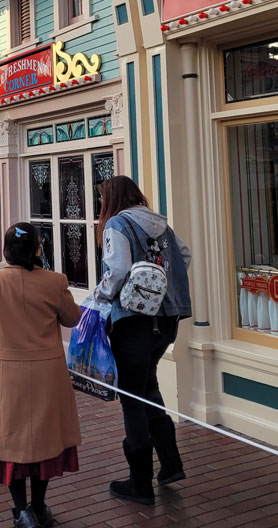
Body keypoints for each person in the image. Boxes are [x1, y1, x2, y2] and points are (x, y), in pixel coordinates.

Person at [0, 223, 82, 528]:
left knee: (10, 442)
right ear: (37, 249)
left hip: (7, 371)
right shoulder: (55, 281)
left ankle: (21, 510)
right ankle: (39, 505)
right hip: (47, 371)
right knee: (45, 441)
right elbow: (72, 318)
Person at [91, 175, 192, 505]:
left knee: (132, 396)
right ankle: (171, 464)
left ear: (112, 199)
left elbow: (118, 269)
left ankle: (140, 483)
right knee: (148, 387)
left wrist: (101, 295)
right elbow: (184, 257)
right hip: (167, 320)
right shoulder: (161, 224)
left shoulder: (117, 225)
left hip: (133, 323)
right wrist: (159, 285)